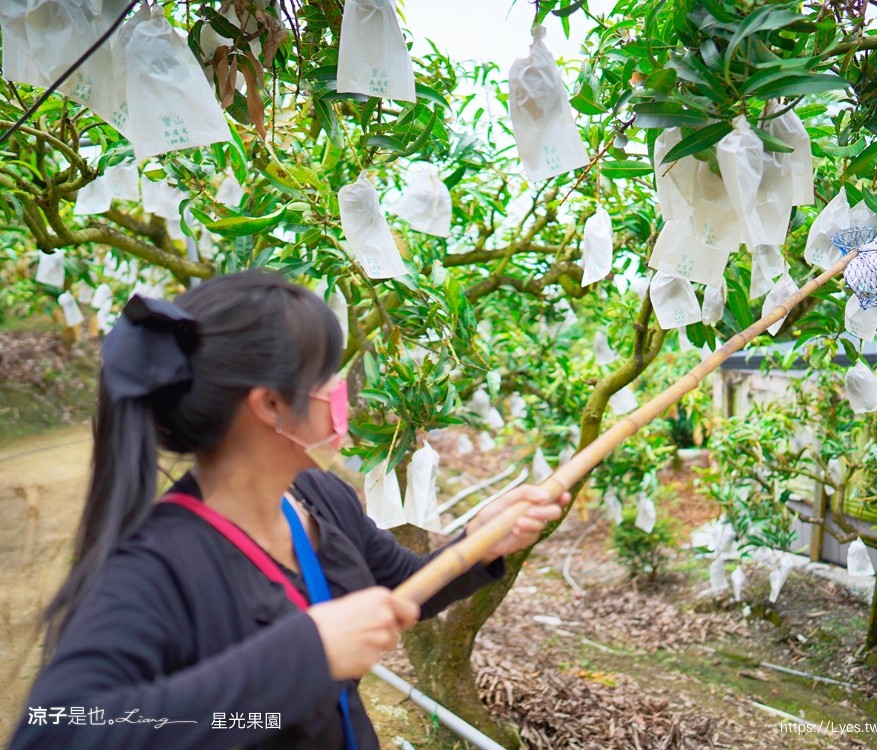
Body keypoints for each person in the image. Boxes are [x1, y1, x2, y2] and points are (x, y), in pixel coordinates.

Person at [7, 270, 569, 750]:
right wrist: (306, 652)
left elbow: (400, 583)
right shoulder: (157, 567)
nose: (340, 391)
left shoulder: (317, 496)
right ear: (271, 404)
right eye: (325, 376)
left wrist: (479, 541)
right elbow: (58, 730)